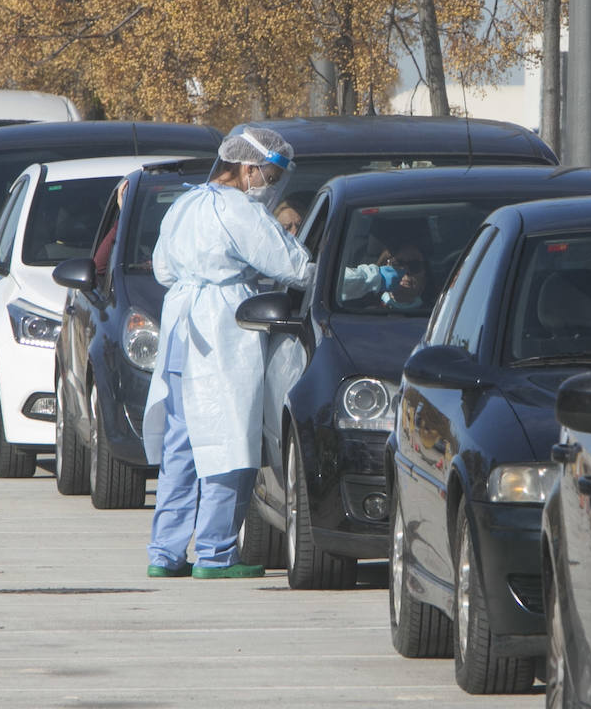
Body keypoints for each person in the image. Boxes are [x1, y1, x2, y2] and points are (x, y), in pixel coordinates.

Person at [142, 127, 314, 579]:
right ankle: (217, 552)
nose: (271, 184)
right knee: (228, 439)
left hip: (183, 328)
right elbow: (293, 266)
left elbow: (162, 268)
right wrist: (357, 277)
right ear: (246, 166)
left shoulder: (186, 204)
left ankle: (165, 552)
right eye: (270, 173)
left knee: (181, 446)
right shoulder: (239, 211)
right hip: (222, 333)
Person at [340, 243, 428, 310]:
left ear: (424, 277)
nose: (406, 271)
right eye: (397, 264)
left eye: (414, 265)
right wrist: (374, 278)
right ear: (383, 266)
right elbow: (333, 283)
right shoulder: (360, 310)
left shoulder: (437, 315)